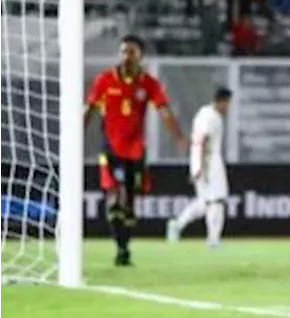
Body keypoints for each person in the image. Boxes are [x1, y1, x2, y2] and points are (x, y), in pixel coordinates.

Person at [84, 35, 189, 267]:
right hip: (109, 149)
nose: (126, 56)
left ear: (140, 55)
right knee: (113, 200)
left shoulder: (148, 84)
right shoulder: (104, 80)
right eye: (123, 51)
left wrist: (179, 137)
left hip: (135, 151)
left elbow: (164, 111)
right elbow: (89, 109)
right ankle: (120, 248)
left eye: (132, 52)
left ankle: (125, 247)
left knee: (129, 204)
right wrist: (75, 135)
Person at [166, 87, 233, 247]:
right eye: (228, 103)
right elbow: (203, 140)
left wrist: (196, 164)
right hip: (209, 161)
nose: (229, 107)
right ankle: (213, 239)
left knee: (204, 202)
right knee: (217, 200)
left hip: (200, 160)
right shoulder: (212, 117)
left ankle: (177, 225)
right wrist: (201, 166)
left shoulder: (203, 113)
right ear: (222, 101)